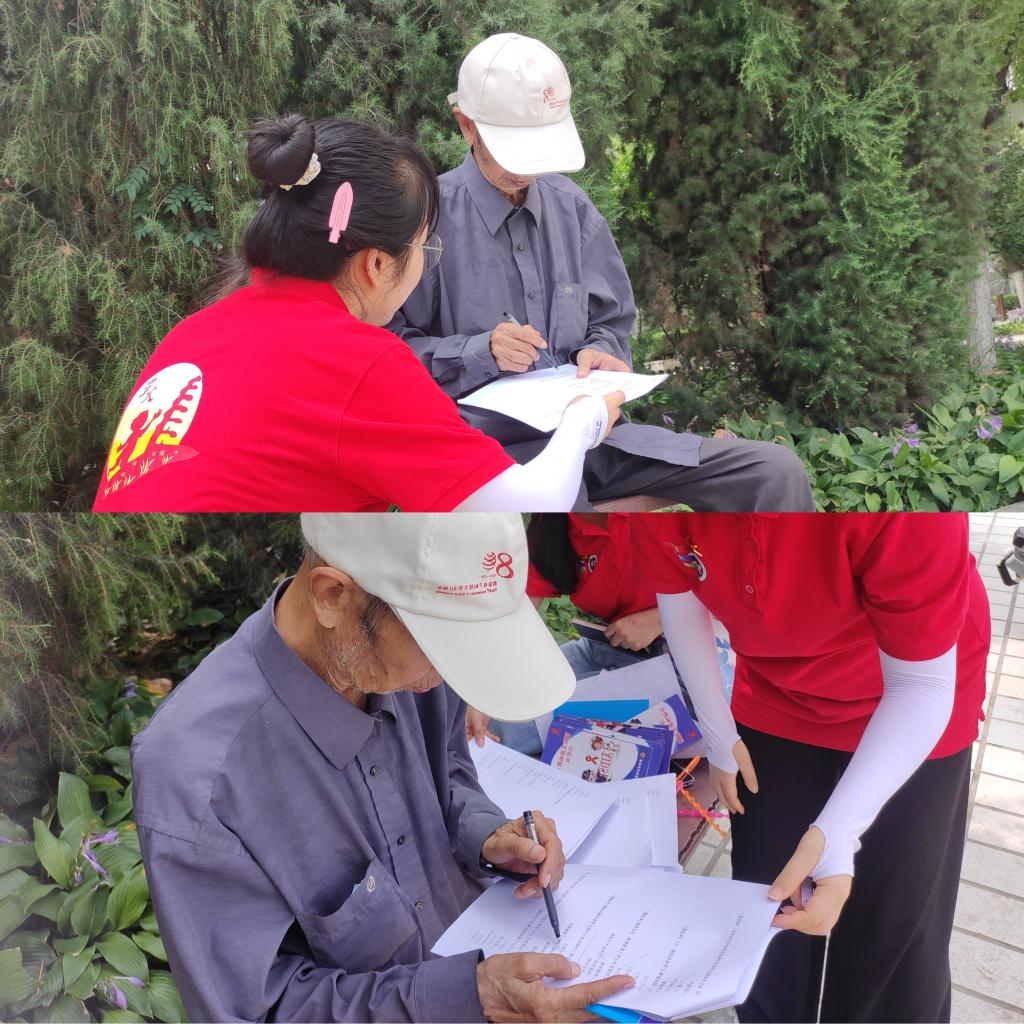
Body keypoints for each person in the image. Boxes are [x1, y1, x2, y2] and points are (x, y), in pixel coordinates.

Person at [131, 513, 634, 1022]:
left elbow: (449, 768)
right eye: (441, 647)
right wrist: (469, 997)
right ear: (332, 596)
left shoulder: (411, 665)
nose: (450, 673)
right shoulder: (201, 778)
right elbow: (254, 1012)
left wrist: (487, 834)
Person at [93, 114, 624, 513]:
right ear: (376, 264)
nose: (427, 262)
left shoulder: (190, 335)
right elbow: (533, 499)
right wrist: (586, 415)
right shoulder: (359, 361)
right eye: (426, 248)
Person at [390, 33, 815, 512]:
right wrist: (479, 352)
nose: (526, 170)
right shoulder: (425, 222)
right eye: (513, 149)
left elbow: (611, 322)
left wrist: (602, 353)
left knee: (774, 472)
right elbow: (387, 354)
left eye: (538, 148)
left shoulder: (573, 209)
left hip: (598, 439)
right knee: (570, 523)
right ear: (466, 125)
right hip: (491, 457)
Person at [629, 512, 989, 1023]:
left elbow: (921, 685)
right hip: (778, 691)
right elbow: (679, 594)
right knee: (768, 902)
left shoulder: (902, 506)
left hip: (914, 684)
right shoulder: (658, 488)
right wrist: (718, 733)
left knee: (892, 923)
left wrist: (838, 833)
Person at [466, 512, 697, 753]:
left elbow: (721, 582)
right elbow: (518, 620)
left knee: (512, 727)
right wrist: (480, 694)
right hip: (606, 647)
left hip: (684, 668)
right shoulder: (555, 524)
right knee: (498, 704)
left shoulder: (660, 509)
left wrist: (659, 619)